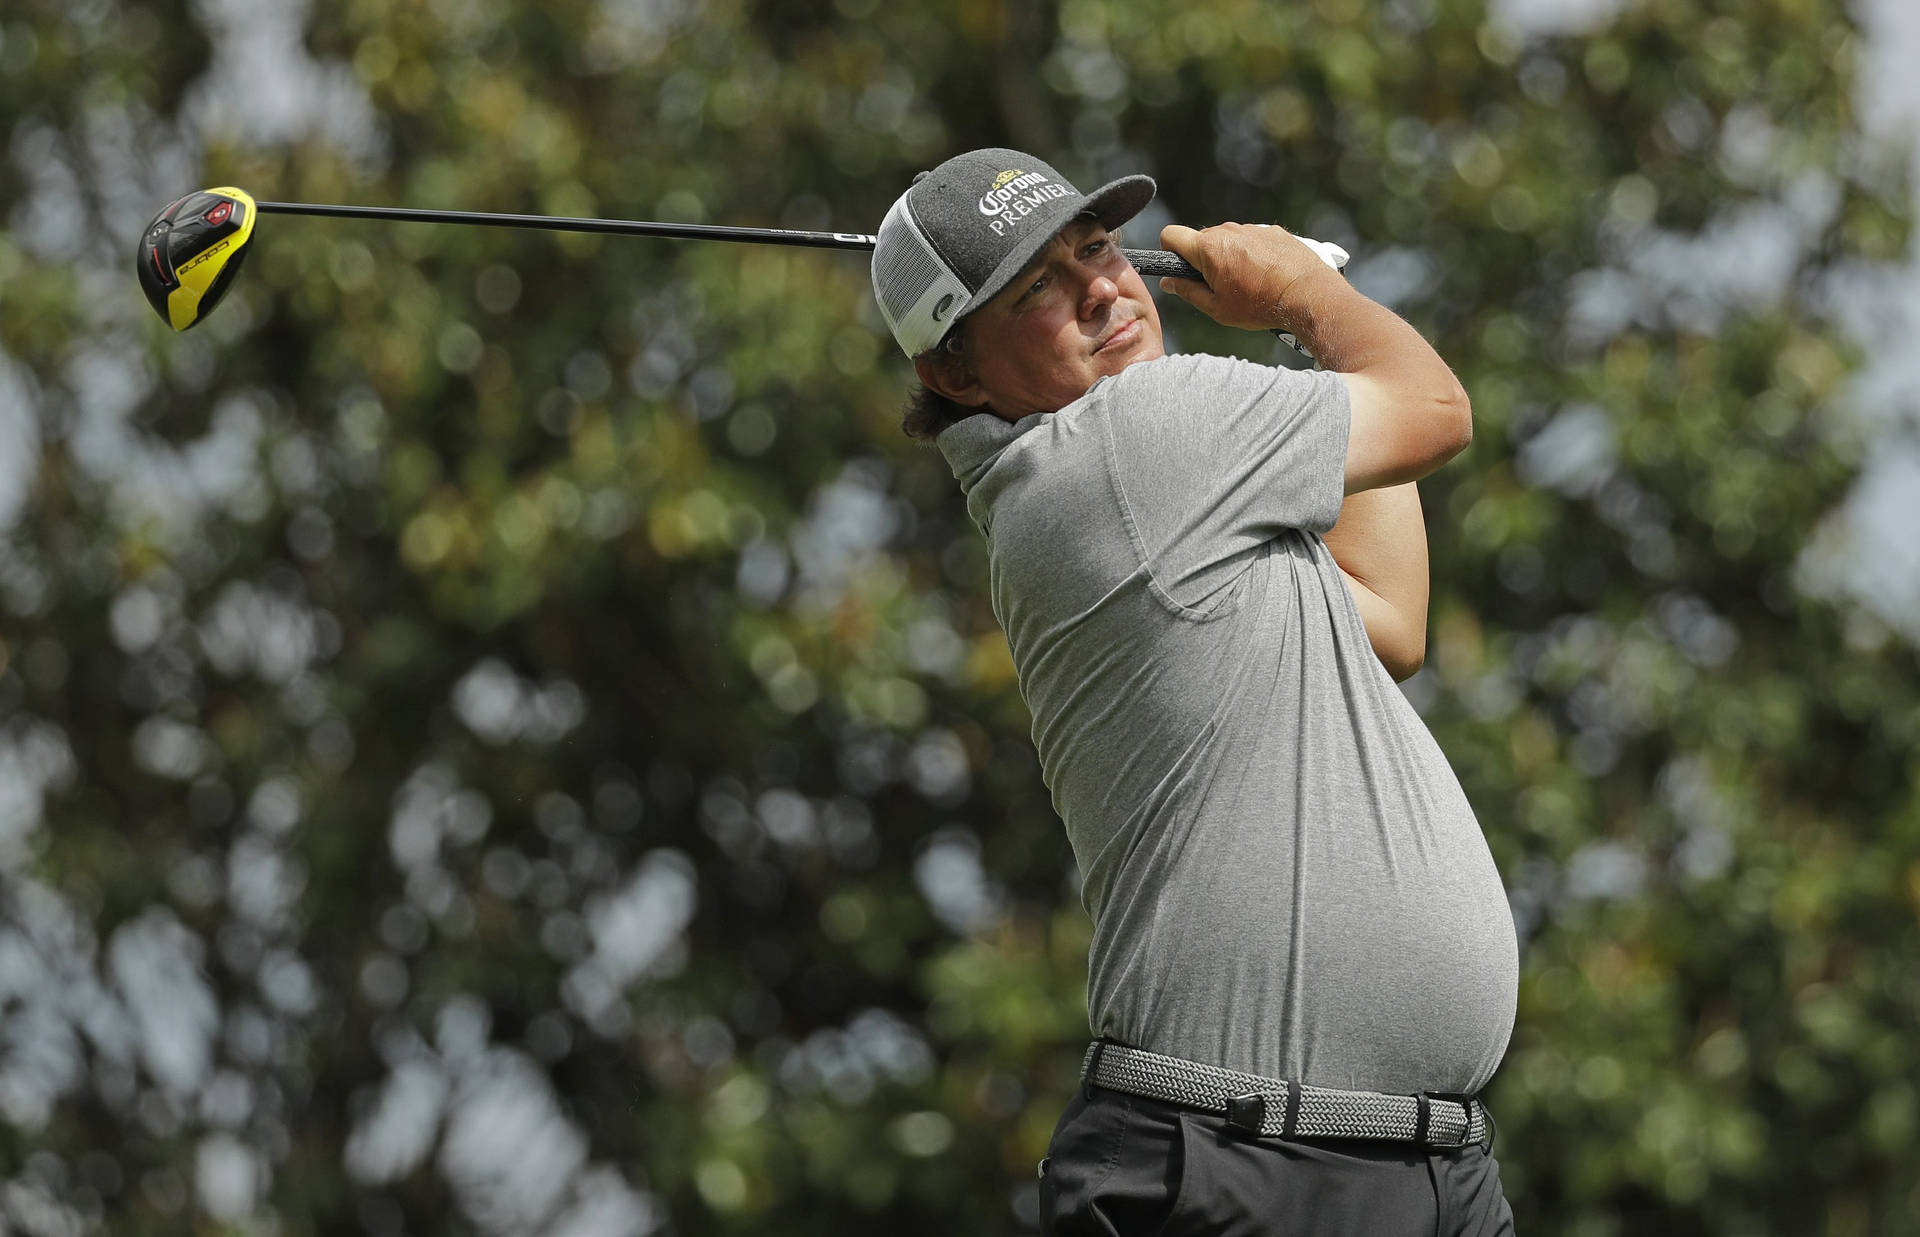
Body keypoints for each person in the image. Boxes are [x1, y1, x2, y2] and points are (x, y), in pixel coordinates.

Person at [871, 149, 1518, 1236]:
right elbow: (1436, 408)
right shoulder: (1132, 441)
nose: (1101, 290)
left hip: (1418, 1174)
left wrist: (1308, 334)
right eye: (1036, 289)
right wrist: (1311, 299)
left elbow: (1386, 616)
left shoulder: (1151, 490)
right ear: (957, 376)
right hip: (1237, 1170)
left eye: (1094, 249)